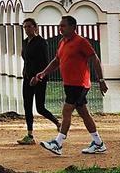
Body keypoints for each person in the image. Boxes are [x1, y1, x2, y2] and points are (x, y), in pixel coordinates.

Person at [31, 15, 108, 155]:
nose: (60, 28)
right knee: (84, 113)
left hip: (80, 84)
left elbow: (95, 59)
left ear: (73, 27)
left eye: (63, 26)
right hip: (69, 84)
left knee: (67, 110)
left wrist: (101, 80)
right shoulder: (62, 42)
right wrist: (42, 73)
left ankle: (58, 143)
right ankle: (98, 143)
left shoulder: (81, 42)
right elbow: (56, 61)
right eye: (60, 26)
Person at [17, 17, 60, 145]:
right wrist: (26, 74)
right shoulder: (25, 42)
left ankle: (58, 123)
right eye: (25, 27)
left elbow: (44, 62)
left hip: (39, 79)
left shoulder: (41, 42)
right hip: (27, 78)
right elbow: (25, 58)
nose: (27, 29)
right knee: (27, 106)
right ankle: (30, 135)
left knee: (40, 107)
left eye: (29, 26)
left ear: (35, 27)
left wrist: (38, 77)